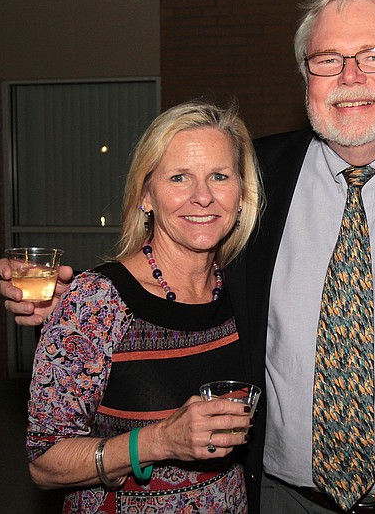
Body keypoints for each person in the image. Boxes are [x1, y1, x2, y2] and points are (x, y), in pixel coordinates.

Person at [1, 0, 375, 513]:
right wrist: (82, 306)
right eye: (327, 59)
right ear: (305, 78)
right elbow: (180, 261)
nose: (349, 76)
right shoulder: (252, 178)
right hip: (278, 498)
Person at [14, 101, 264, 513]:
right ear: (146, 195)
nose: (203, 196)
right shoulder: (96, 301)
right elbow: (44, 463)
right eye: (179, 177)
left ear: (241, 195)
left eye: (219, 176)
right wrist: (159, 441)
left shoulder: (245, 292)